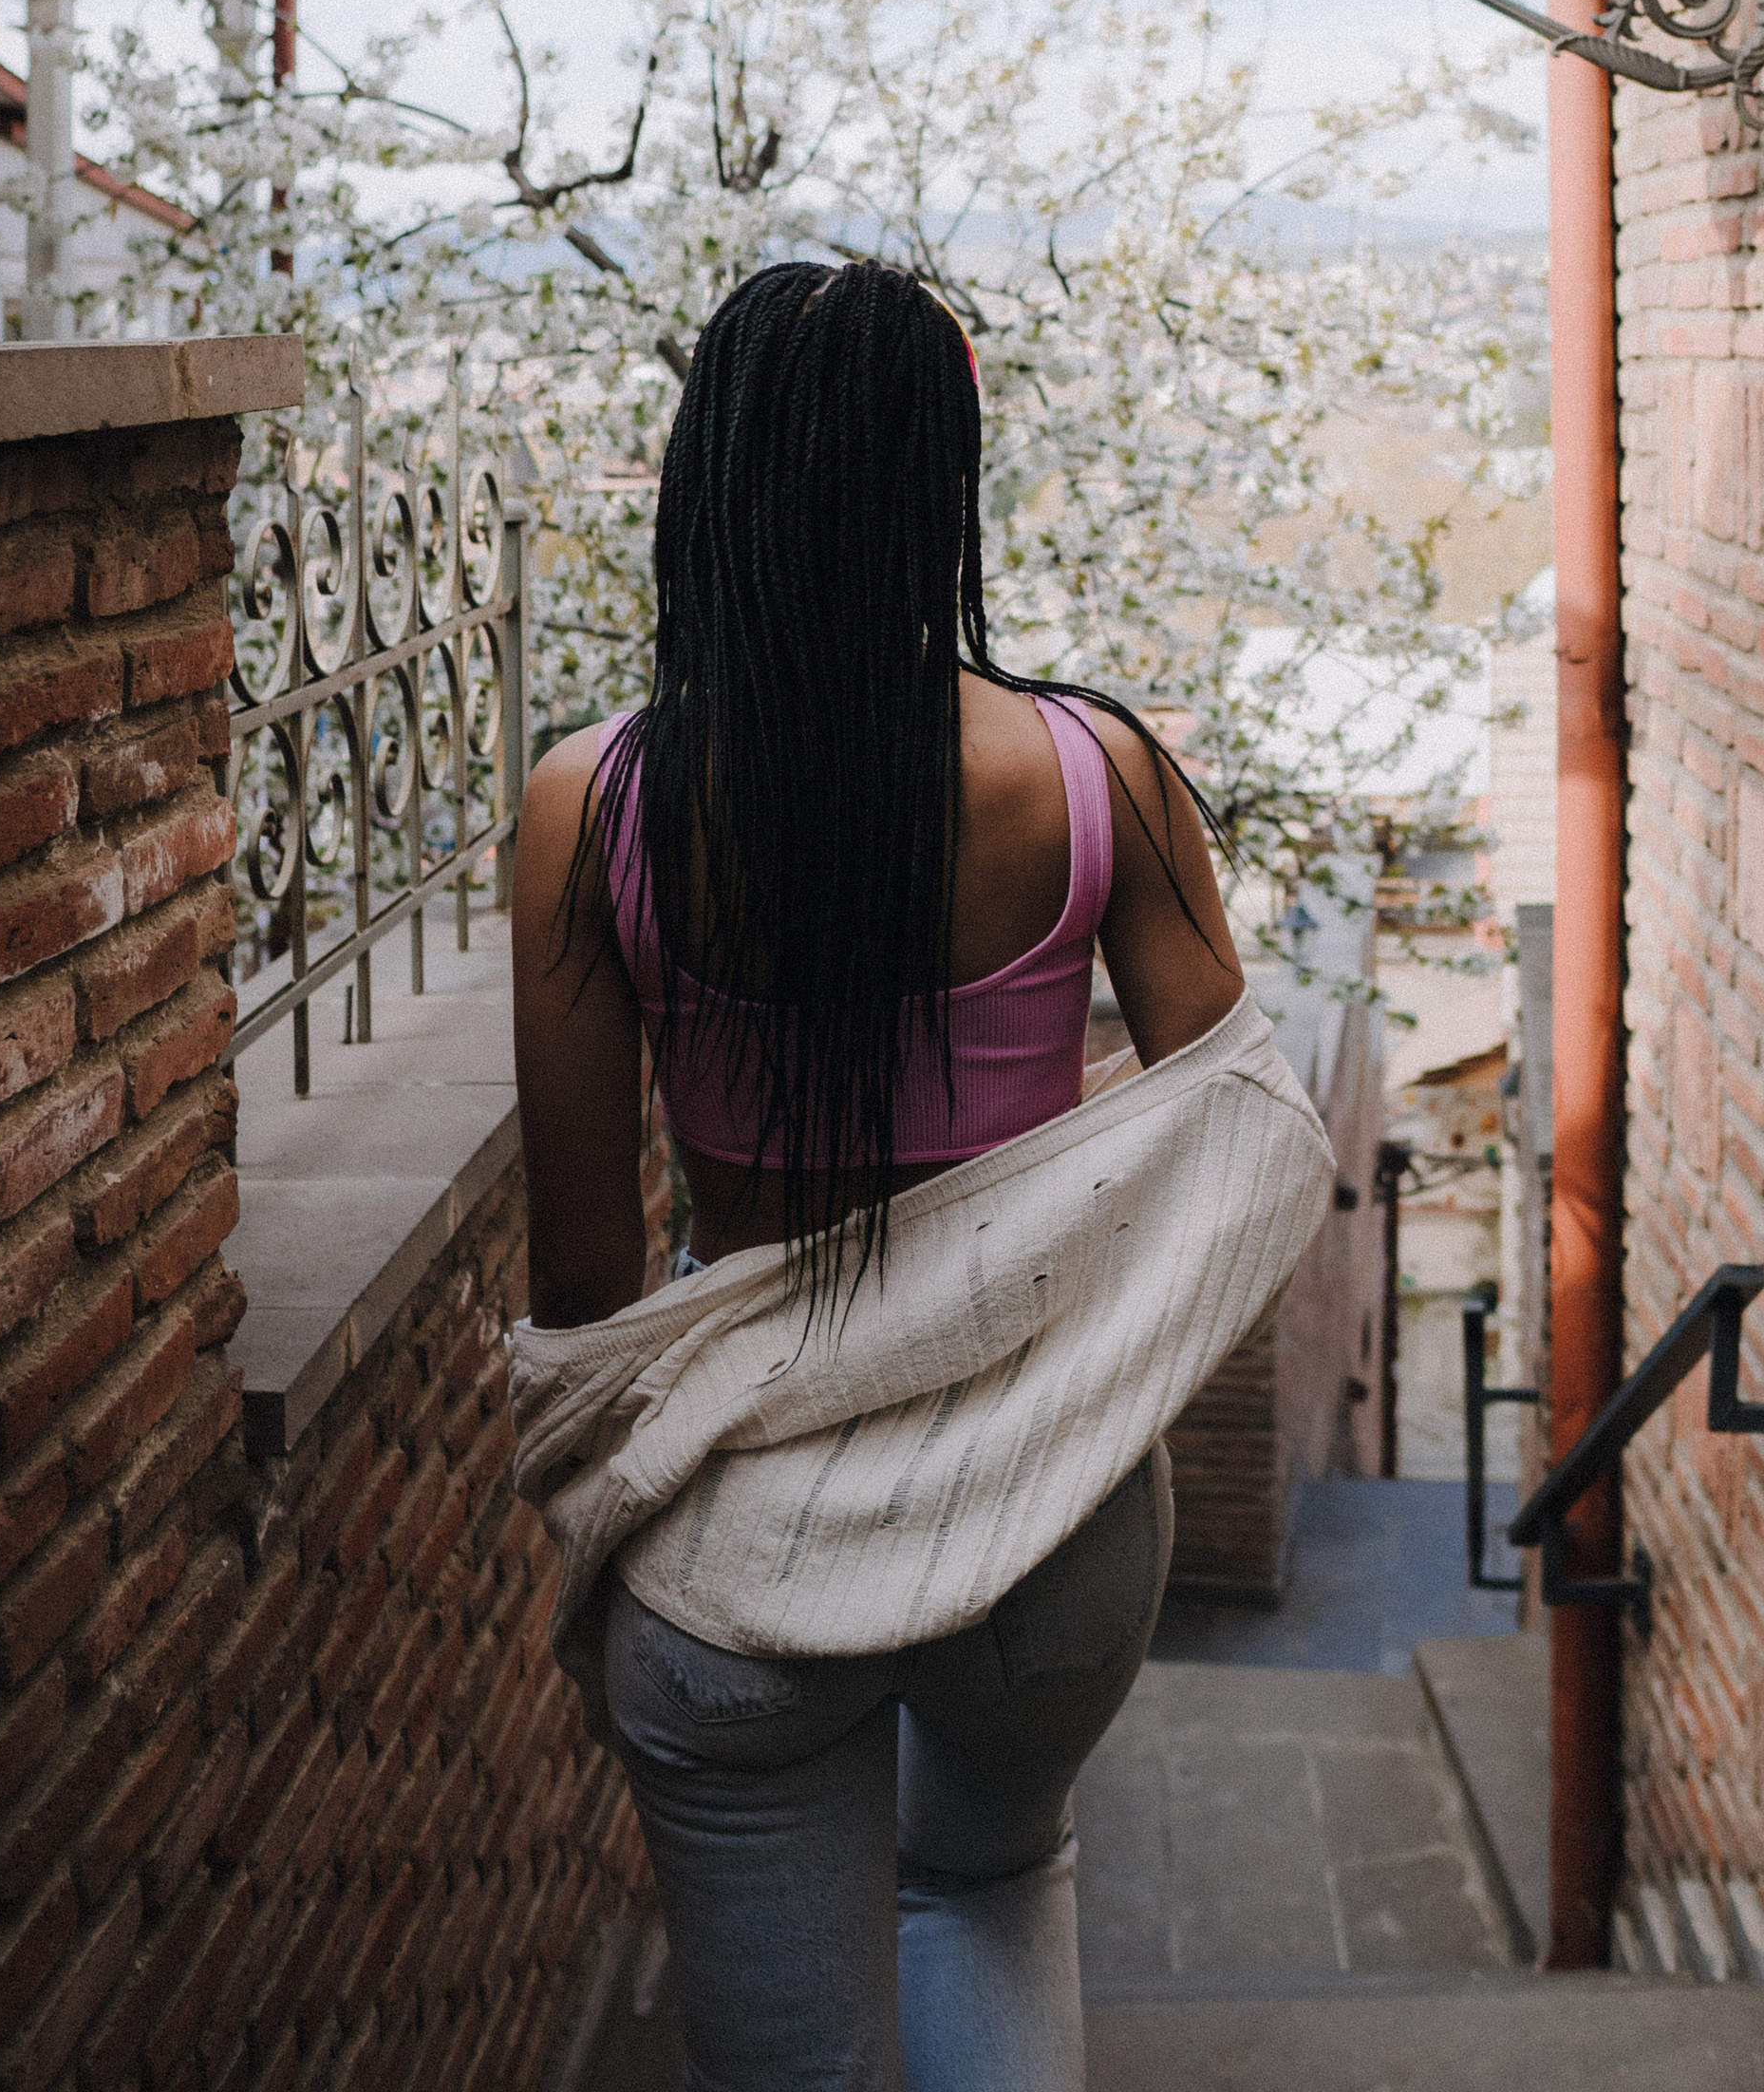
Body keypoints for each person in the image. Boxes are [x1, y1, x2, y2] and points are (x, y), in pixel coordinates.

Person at [506, 258, 1321, 2092]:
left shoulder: (594, 804)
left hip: (741, 1544)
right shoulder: (1098, 775)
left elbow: (581, 1285)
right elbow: (1250, 1152)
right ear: (941, 485)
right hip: (1053, 1528)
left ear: (708, 481)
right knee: (990, 1881)